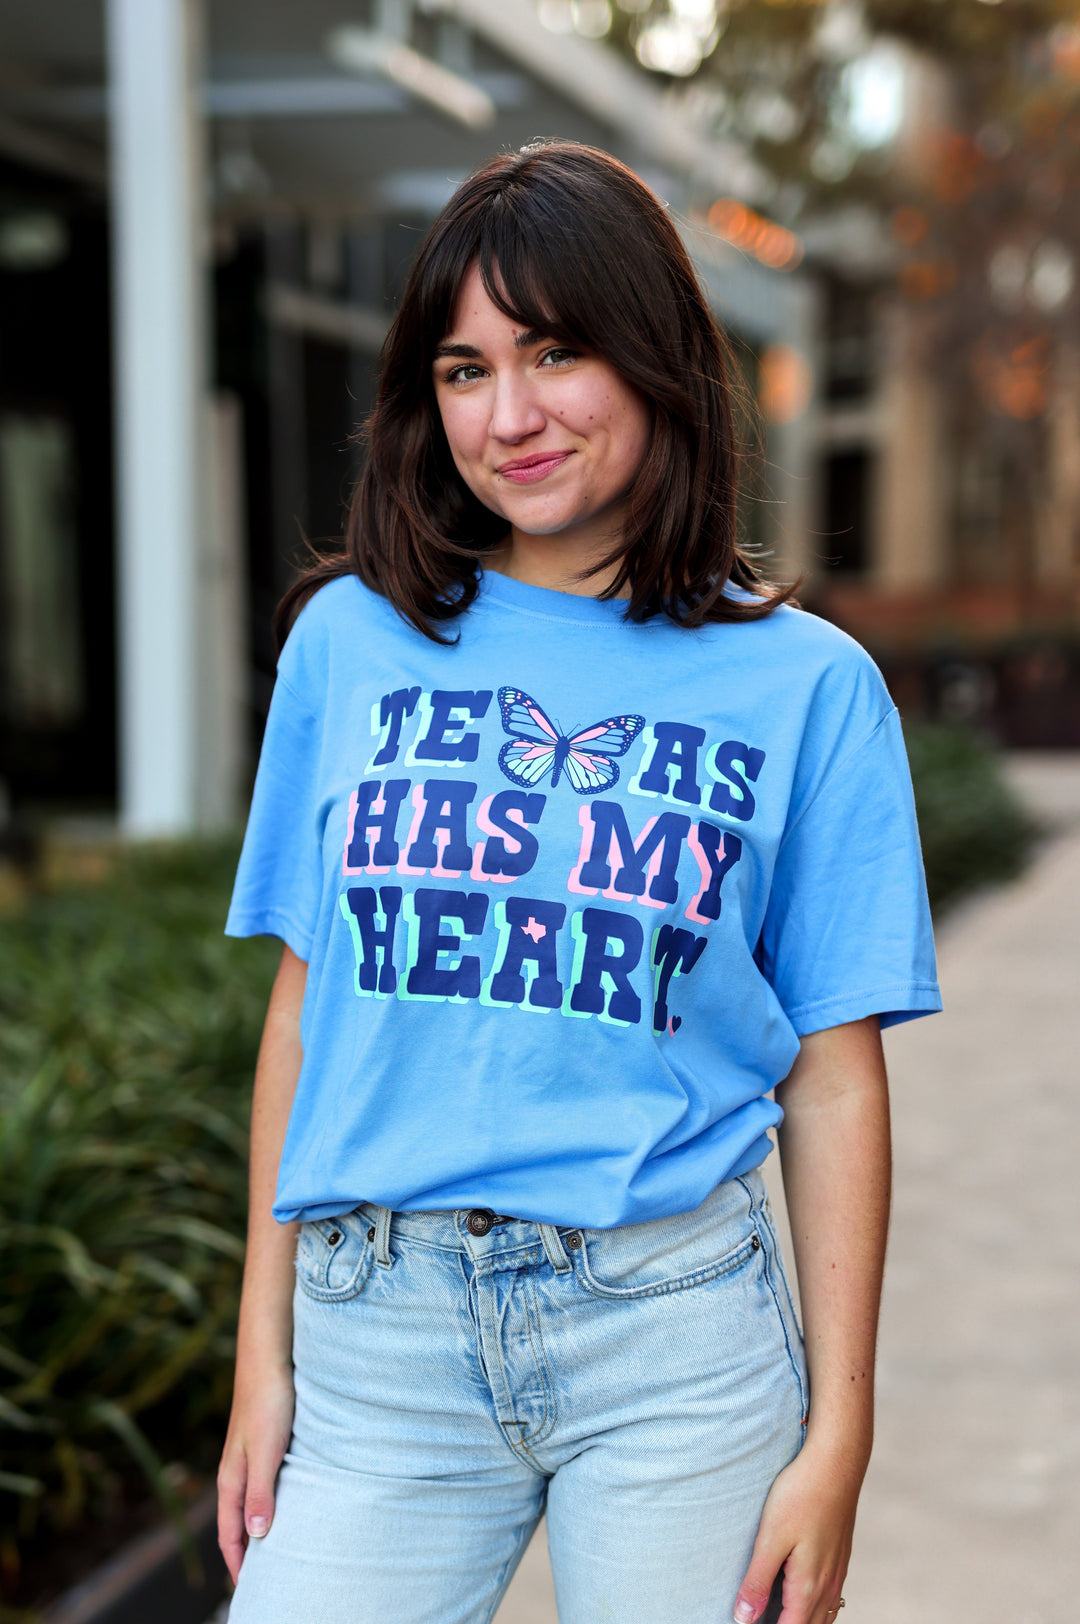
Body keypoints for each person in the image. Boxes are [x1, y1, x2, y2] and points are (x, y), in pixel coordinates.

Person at [217, 140, 940, 1624]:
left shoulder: (810, 689)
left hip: (675, 1335)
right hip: (381, 1340)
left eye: (555, 352)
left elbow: (837, 1076)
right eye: (464, 369)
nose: (511, 415)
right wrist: (260, 1358)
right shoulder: (347, 646)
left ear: (657, 358)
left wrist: (842, 1436)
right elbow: (305, 1014)